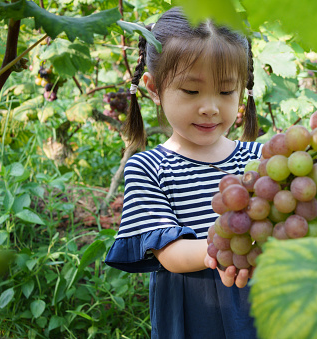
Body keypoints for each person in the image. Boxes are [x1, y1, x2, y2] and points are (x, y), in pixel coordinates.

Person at [104, 6, 261, 339]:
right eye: (191, 91)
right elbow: (171, 254)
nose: (209, 106)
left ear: (242, 88)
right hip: (197, 314)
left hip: (263, 303)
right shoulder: (150, 168)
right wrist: (234, 246)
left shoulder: (258, 161)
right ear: (154, 88)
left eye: (225, 91)